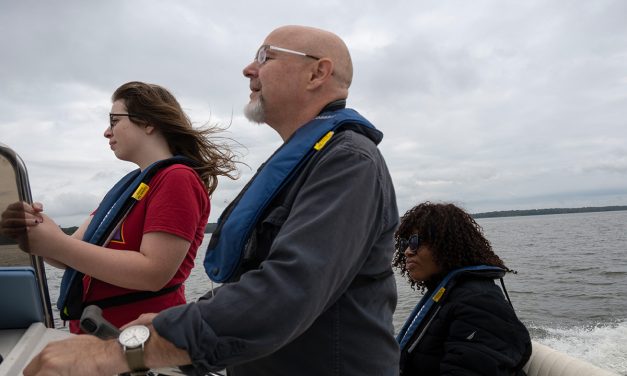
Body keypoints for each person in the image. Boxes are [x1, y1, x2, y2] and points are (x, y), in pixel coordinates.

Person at [20, 25, 400, 376]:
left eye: (266, 56)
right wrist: (170, 325)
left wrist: (119, 352)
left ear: (317, 73)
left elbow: (288, 291)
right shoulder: (310, 160)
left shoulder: (348, 161)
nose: (248, 69)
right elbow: (254, 280)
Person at [0, 81, 237, 333]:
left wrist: (57, 243)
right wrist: (37, 229)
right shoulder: (127, 188)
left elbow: (153, 272)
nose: (106, 131)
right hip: (99, 338)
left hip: (141, 342)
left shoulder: (177, 178)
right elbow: (68, 255)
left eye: (114, 120)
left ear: (148, 122)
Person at [393, 202, 532, 375]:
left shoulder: (479, 301)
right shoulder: (447, 294)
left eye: (414, 242)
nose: (407, 251)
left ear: (444, 245)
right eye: (404, 244)